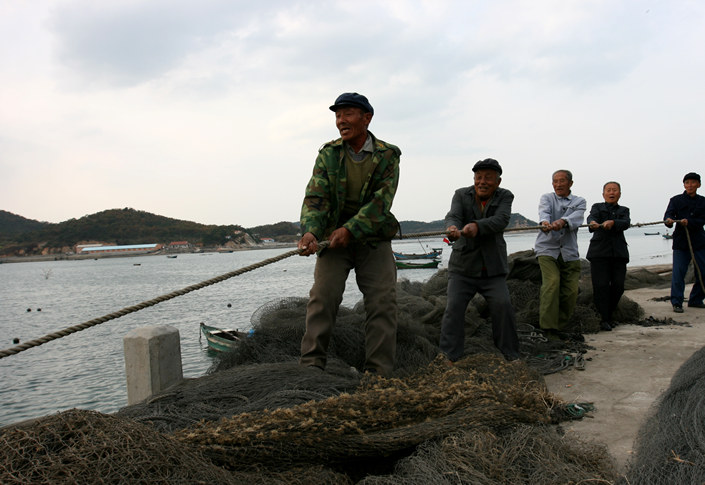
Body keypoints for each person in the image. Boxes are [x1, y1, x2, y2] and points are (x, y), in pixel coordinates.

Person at [297, 92, 401, 376]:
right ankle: (311, 367)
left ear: (367, 118)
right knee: (322, 298)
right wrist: (311, 232)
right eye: (337, 115)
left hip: (373, 238)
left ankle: (378, 373)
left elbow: (381, 203)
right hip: (334, 240)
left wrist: (351, 229)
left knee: (382, 302)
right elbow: (316, 199)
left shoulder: (388, 155)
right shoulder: (328, 154)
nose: (341, 121)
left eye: (348, 114)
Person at [439, 158, 520, 362]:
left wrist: (476, 226)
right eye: (478, 177)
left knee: (503, 306)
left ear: (498, 181)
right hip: (462, 267)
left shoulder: (505, 196)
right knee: (453, 309)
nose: (482, 182)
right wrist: (452, 229)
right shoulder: (460, 194)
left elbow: (500, 220)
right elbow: (453, 216)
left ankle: (510, 355)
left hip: (492, 268)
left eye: (488, 178)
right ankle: (449, 357)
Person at [534, 170, 586, 338]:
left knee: (571, 291)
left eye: (562, 181)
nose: (558, 184)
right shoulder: (547, 198)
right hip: (547, 249)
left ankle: (560, 326)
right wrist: (546, 223)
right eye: (555, 181)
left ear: (570, 183)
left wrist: (562, 222)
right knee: (552, 283)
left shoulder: (579, 201)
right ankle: (548, 329)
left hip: (569, 252)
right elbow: (544, 212)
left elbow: (576, 218)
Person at [586, 181, 631, 330]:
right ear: (603, 193)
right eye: (608, 190)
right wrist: (593, 223)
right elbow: (591, 218)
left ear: (619, 193)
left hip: (619, 253)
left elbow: (625, 223)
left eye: (615, 190)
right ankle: (604, 319)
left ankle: (609, 314)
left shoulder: (624, 210)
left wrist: (613, 222)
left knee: (618, 286)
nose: (611, 192)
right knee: (601, 286)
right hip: (599, 253)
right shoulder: (597, 207)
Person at [664, 172, 705, 313]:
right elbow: (668, 215)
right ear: (684, 185)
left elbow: (703, 220)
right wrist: (669, 221)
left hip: (699, 242)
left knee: (703, 272)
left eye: (693, 182)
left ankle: (695, 299)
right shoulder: (675, 200)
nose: (690, 185)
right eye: (687, 183)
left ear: (699, 184)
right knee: (678, 273)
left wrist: (690, 222)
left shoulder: (703, 201)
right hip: (681, 242)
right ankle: (676, 302)